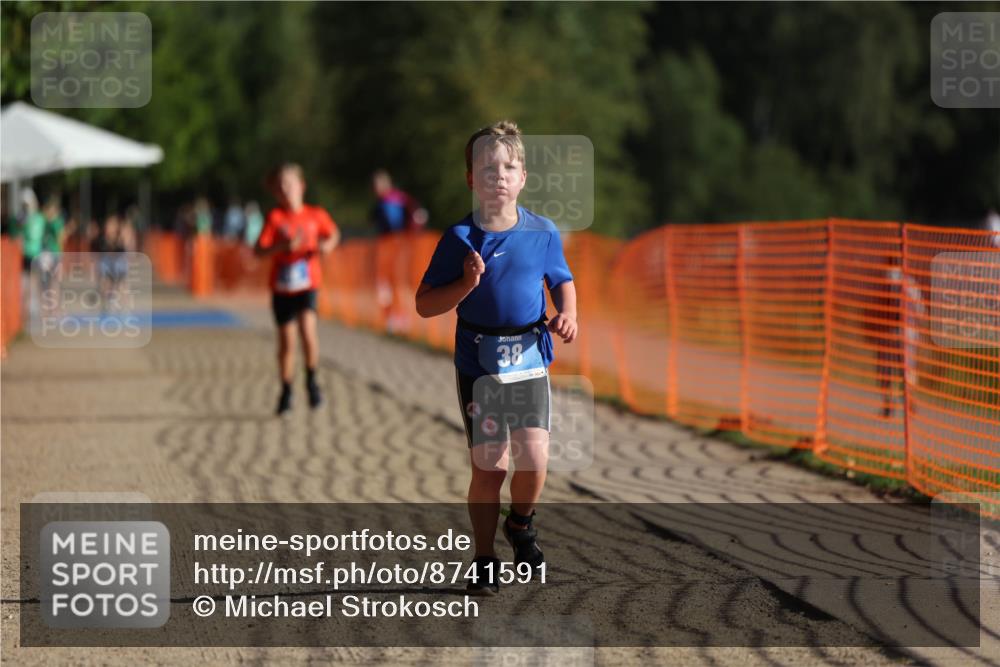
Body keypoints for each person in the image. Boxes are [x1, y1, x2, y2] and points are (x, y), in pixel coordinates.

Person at [415, 121, 578, 595]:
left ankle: (521, 524)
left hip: (529, 359)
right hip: (480, 365)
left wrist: (568, 313)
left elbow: (561, 279)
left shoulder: (543, 232)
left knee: (535, 459)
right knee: (490, 467)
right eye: (487, 168)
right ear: (471, 178)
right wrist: (465, 284)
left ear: (523, 176)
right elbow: (424, 304)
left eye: (508, 167)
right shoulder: (461, 237)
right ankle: (484, 558)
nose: (498, 176)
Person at [255, 163, 340, 416]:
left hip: (308, 284)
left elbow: (333, 234)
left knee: (308, 331)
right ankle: (286, 389)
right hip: (282, 289)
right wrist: (281, 247)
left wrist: (328, 245)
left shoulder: (316, 215)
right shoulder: (275, 218)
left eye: (289, 184)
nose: (285, 190)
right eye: (280, 186)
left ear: (301, 187)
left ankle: (312, 381)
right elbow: (258, 250)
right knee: (287, 343)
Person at [371, 170, 428, 332]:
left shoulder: (389, 201)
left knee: (392, 282)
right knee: (392, 283)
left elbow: (392, 226)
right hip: (398, 247)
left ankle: (398, 318)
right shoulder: (398, 198)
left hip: (395, 247)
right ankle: (395, 317)